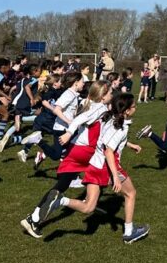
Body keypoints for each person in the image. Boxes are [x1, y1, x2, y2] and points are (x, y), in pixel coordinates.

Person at [29, 93, 149, 244]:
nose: (135, 108)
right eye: (133, 106)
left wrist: (129, 145)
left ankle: (60, 201)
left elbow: (107, 141)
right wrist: (115, 177)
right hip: (108, 167)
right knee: (131, 193)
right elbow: (109, 151)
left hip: (93, 165)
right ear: (126, 110)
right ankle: (129, 232)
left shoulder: (108, 118)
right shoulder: (121, 127)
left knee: (88, 207)